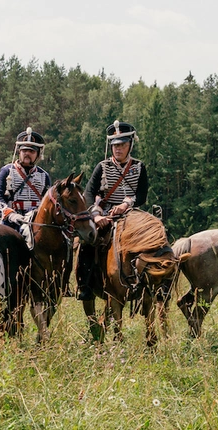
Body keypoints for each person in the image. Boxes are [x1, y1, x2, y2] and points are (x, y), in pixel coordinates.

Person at [76, 120, 148, 300]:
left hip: (132, 215)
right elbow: (89, 193)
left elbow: (142, 195)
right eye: (115, 145)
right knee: (87, 242)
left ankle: (154, 284)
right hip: (105, 215)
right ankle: (84, 285)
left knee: (154, 238)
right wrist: (96, 214)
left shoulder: (139, 167)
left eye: (122, 144)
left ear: (130, 145)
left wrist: (127, 204)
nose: (118, 148)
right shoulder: (103, 166)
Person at [0, 127, 51, 236]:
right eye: (24, 150)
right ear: (19, 151)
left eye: (31, 151)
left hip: (35, 221)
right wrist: (10, 214)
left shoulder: (44, 175)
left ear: (38, 154)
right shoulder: (6, 171)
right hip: (11, 219)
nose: (27, 153)